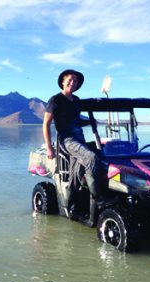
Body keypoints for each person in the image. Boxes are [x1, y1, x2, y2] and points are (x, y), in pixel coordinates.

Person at [43, 69, 101, 227]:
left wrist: (90, 122)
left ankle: (71, 208)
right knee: (91, 158)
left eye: (75, 81)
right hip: (67, 140)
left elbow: (75, 120)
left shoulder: (76, 100)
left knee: (75, 176)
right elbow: (46, 124)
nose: (73, 83)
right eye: (70, 80)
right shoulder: (55, 100)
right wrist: (49, 147)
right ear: (63, 81)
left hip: (79, 139)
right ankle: (98, 197)